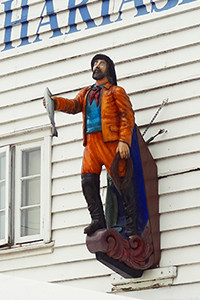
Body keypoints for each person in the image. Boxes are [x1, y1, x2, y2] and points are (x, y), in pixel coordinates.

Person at [44, 54, 137, 238]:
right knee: (87, 180)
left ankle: (132, 225)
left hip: (110, 142)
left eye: (101, 63)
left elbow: (127, 116)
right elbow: (73, 105)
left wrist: (124, 140)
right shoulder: (86, 92)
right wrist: (55, 102)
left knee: (122, 181)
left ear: (108, 68)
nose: (97, 66)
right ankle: (97, 219)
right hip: (91, 144)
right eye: (95, 63)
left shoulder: (116, 91)